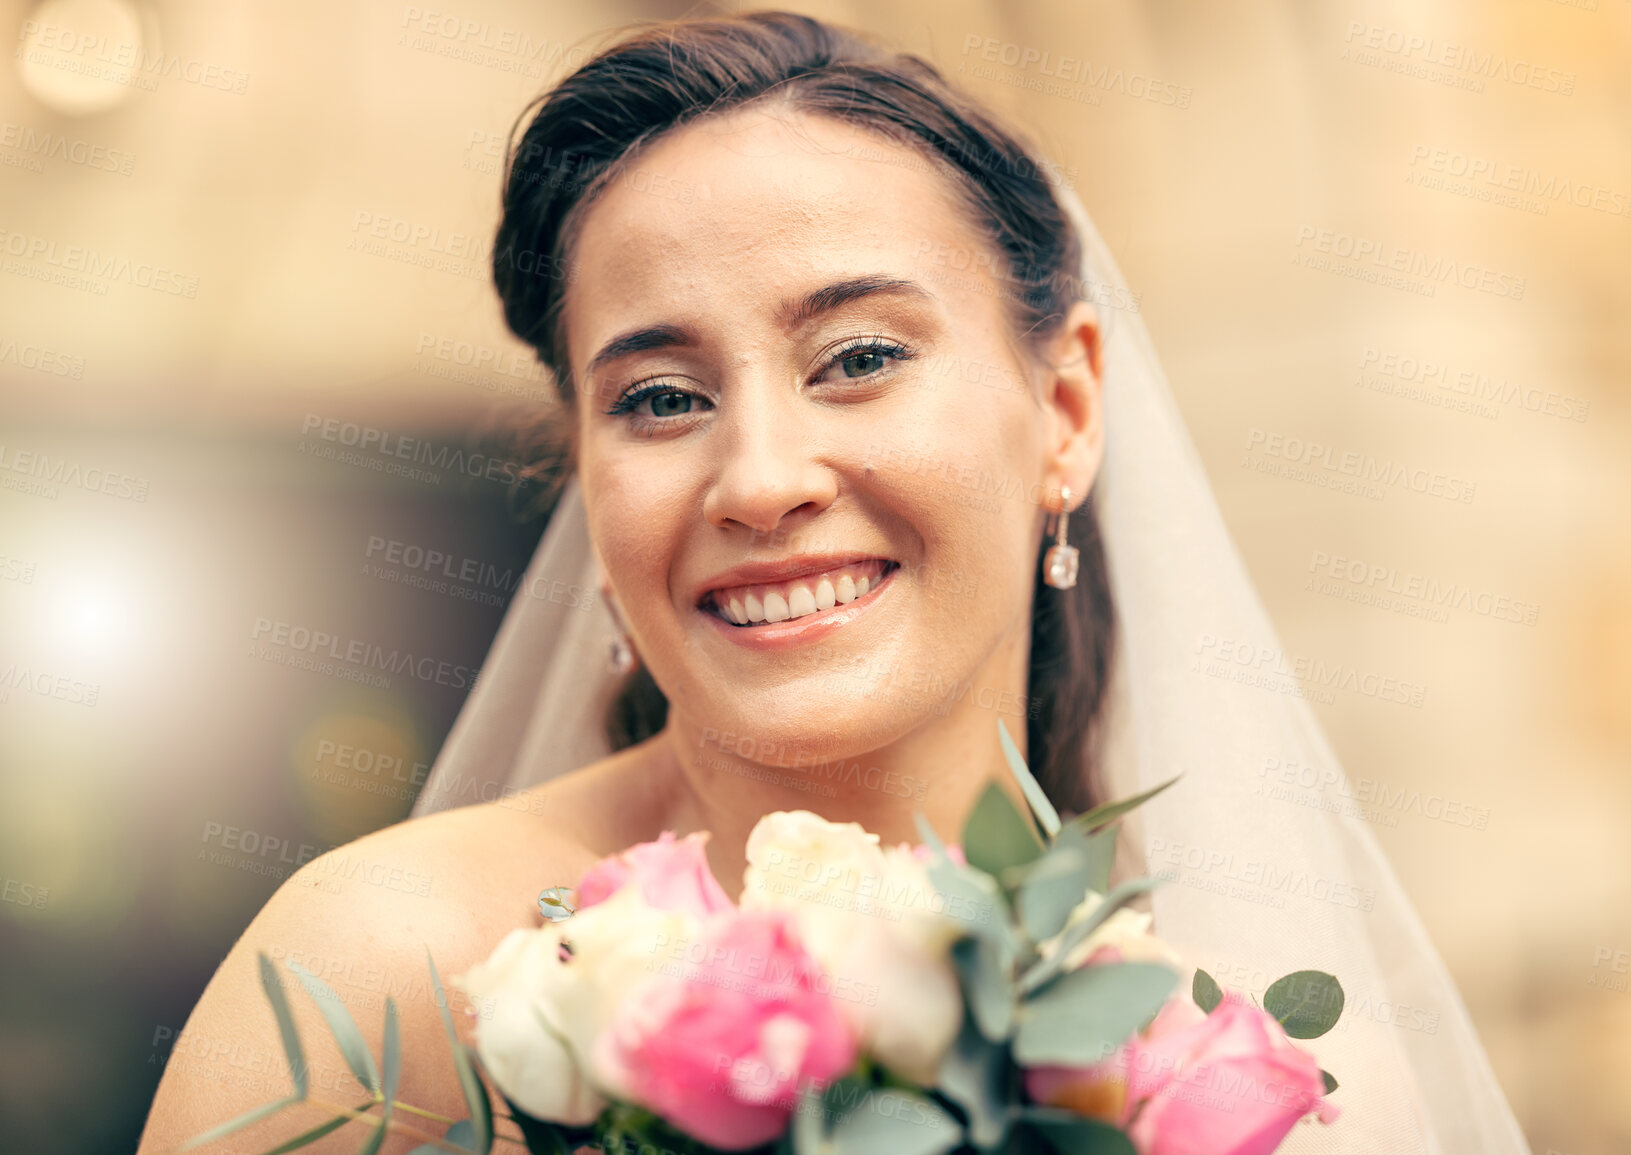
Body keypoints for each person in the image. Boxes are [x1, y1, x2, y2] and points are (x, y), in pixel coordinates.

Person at [140, 12, 1530, 1154]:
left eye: (859, 357)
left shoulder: (1253, 1080)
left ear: (1066, 408)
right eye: (664, 397)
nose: (759, 479)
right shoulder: (386, 979)